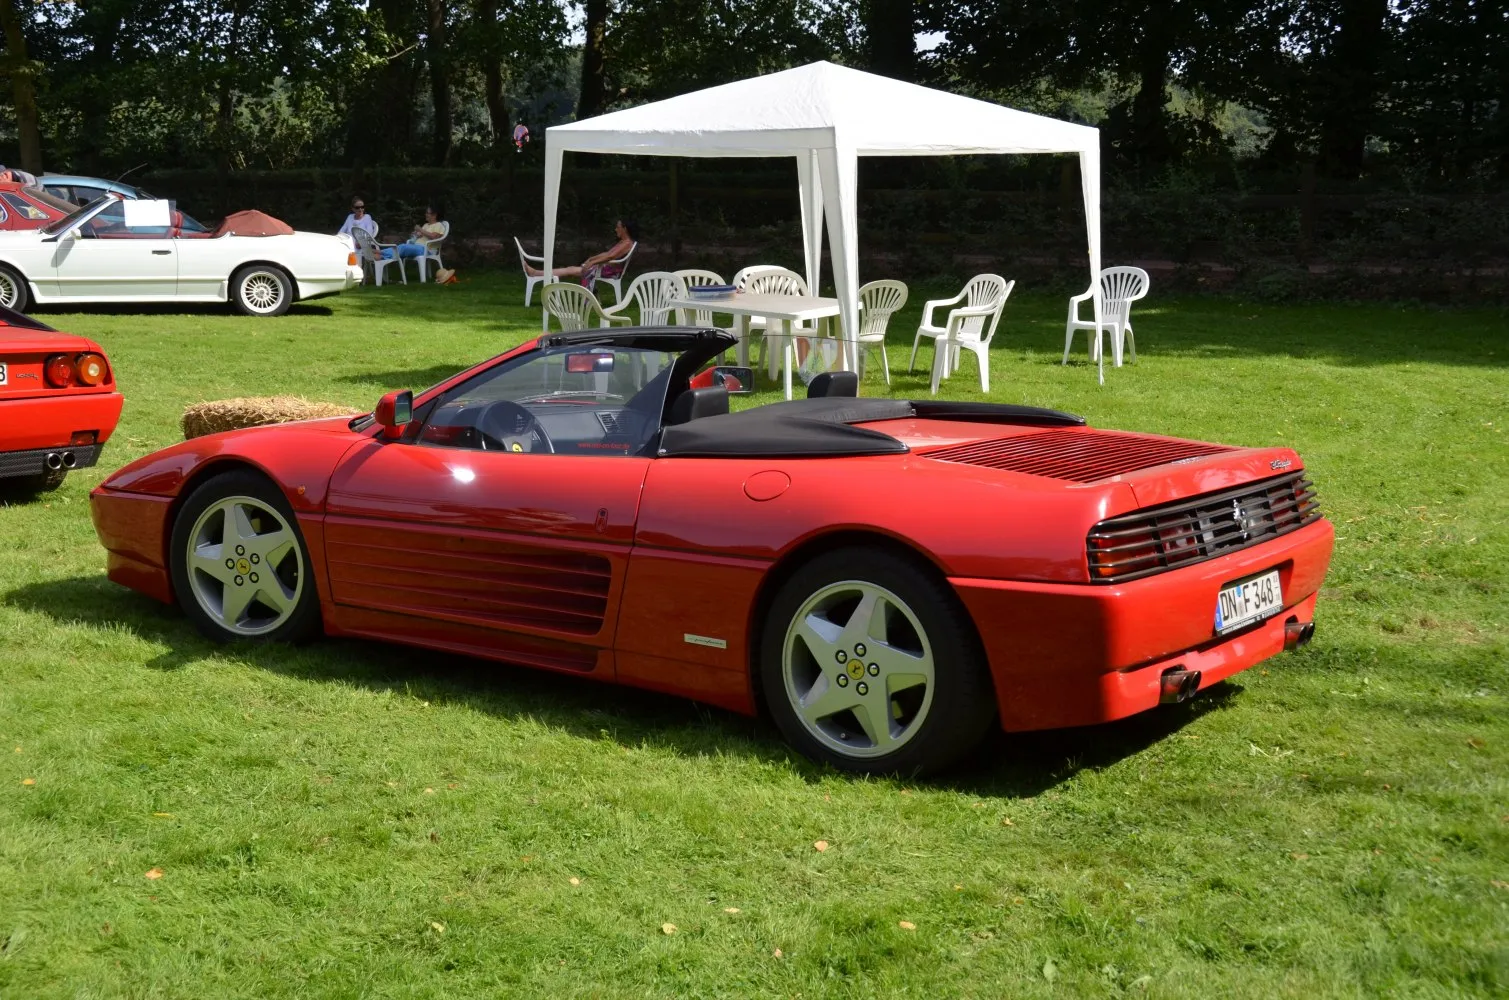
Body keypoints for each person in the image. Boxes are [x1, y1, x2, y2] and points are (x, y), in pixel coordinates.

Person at [523, 219, 638, 288]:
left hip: (610, 271)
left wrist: (592, 262)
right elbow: (607, 254)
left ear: (625, 229)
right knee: (570, 269)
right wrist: (591, 259)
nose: (616, 229)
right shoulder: (624, 242)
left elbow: (610, 256)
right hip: (605, 268)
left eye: (618, 227)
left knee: (570, 270)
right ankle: (537, 273)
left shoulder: (627, 243)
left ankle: (536, 273)